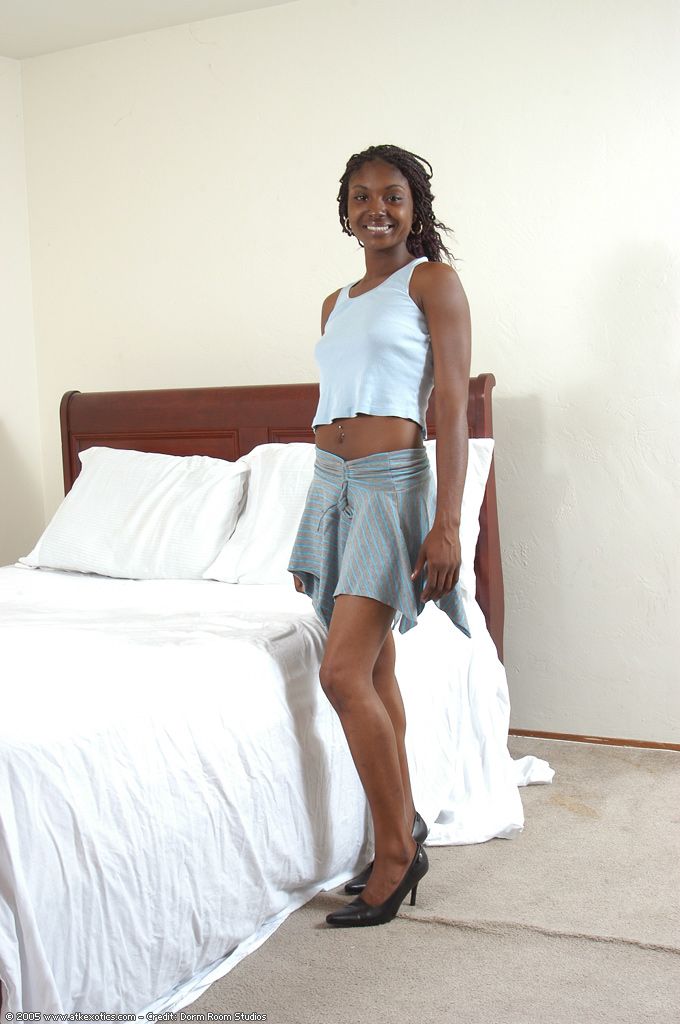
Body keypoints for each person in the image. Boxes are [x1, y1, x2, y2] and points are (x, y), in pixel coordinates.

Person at [288, 144, 472, 928]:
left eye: (392, 195)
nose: (377, 210)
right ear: (345, 212)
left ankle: (396, 854)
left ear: (414, 206)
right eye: (361, 197)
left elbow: (453, 408)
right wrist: (317, 518)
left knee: (340, 674)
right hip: (331, 487)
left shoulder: (431, 282)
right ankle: (404, 825)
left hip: (392, 484)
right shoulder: (335, 302)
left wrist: (447, 523)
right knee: (374, 668)